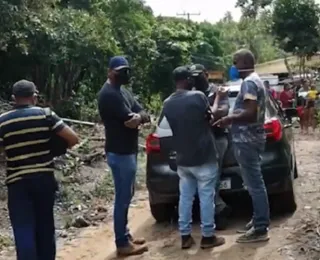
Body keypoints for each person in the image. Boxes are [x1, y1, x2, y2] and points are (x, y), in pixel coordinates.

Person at [0, 80, 79, 260]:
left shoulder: (3, 121)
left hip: (17, 184)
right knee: (45, 228)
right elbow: (73, 139)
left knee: (23, 231)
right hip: (44, 180)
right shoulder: (46, 115)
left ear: (14, 98)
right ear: (34, 97)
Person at [159, 66, 225, 249]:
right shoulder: (198, 97)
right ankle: (208, 236)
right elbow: (211, 118)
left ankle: (185, 236)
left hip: (183, 159)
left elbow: (168, 130)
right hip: (204, 156)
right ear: (188, 79)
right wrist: (219, 97)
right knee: (206, 197)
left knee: (185, 198)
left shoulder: (167, 103)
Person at [214, 49, 270, 243]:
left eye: (235, 62)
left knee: (254, 184)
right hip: (250, 139)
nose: (233, 66)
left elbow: (250, 113)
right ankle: (257, 221)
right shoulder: (255, 80)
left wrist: (230, 118)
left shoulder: (249, 83)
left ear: (244, 62)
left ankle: (261, 228)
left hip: (247, 140)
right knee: (253, 182)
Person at [97, 56, 150, 256]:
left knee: (127, 195)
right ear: (110, 71)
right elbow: (131, 118)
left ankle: (125, 235)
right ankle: (122, 243)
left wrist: (140, 117)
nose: (124, 74)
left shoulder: (122, 91)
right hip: (119, 152)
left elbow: (142, 113)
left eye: (126, 70)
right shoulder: (109, 94)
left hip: (127, 150)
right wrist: (138, 117)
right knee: (122, 198)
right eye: (120, 71)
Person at [190, 64, 232, 230]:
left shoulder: (217, 91)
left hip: (217, 137)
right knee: (204, 178)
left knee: (212, 175)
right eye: (193, 76)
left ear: (206, 75)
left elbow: (221, 111)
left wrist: (205, 113)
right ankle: (218, 209)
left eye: (198, 75)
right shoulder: (191, 93)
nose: (196, 79)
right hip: (197, 141)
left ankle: (216, 211)